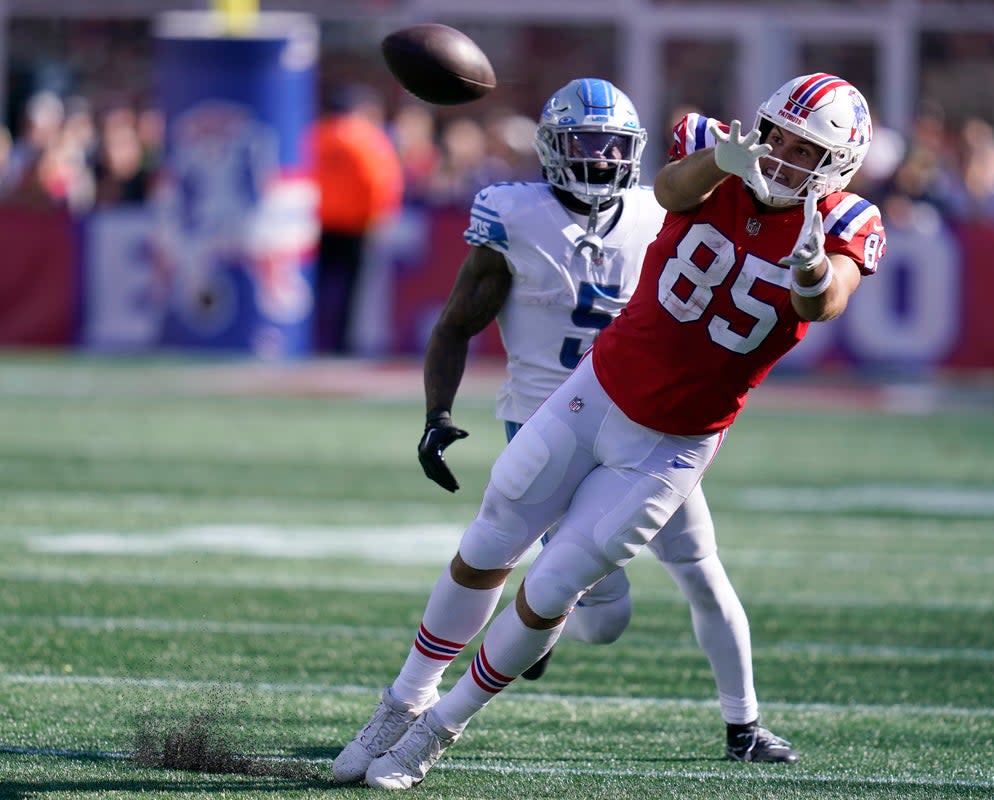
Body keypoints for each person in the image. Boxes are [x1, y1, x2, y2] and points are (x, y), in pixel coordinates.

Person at [339, 71, 886, 791]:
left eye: (805, 148)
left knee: (558, 584)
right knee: (489, 535)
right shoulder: (717, 151)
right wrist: (722, 161)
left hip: (672, 444)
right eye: (777, 133)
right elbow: (670, 193)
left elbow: (824, 303)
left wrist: (813, 269)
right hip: (594, 391)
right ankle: (402, 702)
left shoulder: (847, 221)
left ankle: (439, 730)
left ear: (838, 165)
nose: (781, 153)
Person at [310, 84, 402, 354]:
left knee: (315, 286)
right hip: (355, 225)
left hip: (318, 222)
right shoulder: (367, 138)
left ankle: (310, 340)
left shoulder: (314, 135)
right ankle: (341, 345)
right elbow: (381, 182)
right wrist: (378, 217)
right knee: (351, 292)